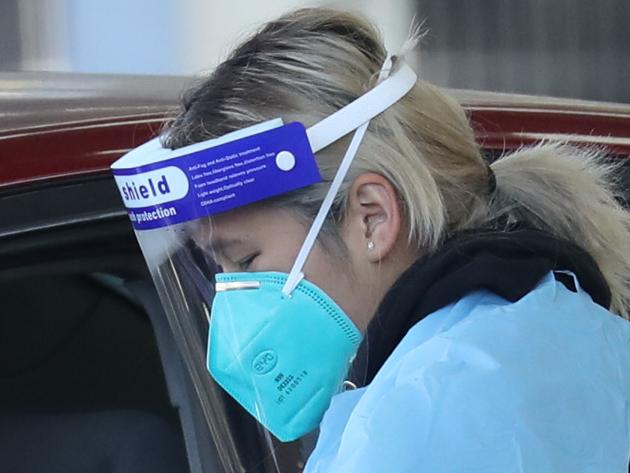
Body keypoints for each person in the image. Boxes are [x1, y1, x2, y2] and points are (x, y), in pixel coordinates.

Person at [117, 7, 630, 472]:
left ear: (372, 218)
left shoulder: (420, 415)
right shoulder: (563, 325)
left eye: (246, 260)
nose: (231, 308)